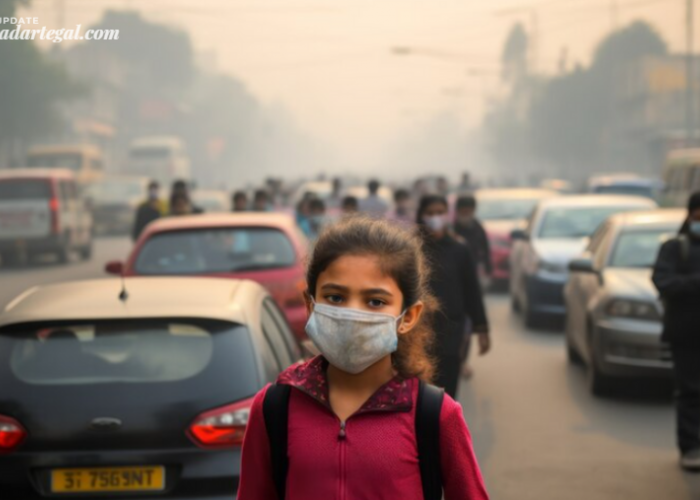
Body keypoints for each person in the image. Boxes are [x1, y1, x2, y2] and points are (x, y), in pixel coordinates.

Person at [237, 217, 489, 500]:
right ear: (311, 305)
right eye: (335, 297)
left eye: (375, 302)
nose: (353, 314)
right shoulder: (274, 408)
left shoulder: (434, 415)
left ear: (408, 317)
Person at [417, 194, 490, 398]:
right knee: (418, 392)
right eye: (430, 213)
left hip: (451, 330)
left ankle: (445, 427)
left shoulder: (460, 249)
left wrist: (481, 328)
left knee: (446, 390)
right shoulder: (411, 248)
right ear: (421, 215)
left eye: (439, 212)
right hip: (418, 330)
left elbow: (472, 291)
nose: (435, 217)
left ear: (447, 215)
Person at [652, 191, 700, 472]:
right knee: (691, 392)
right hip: (686, 333)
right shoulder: (674, 248)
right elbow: (663, 282)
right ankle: (691, 446)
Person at [454, 195, 493, 278]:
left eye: (468, 212)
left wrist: (487, 267)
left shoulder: (478, 228)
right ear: (457, 211)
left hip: (474, 269)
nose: (465, 215)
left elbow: (485, 248)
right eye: (463, 212)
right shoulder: (451, 229)